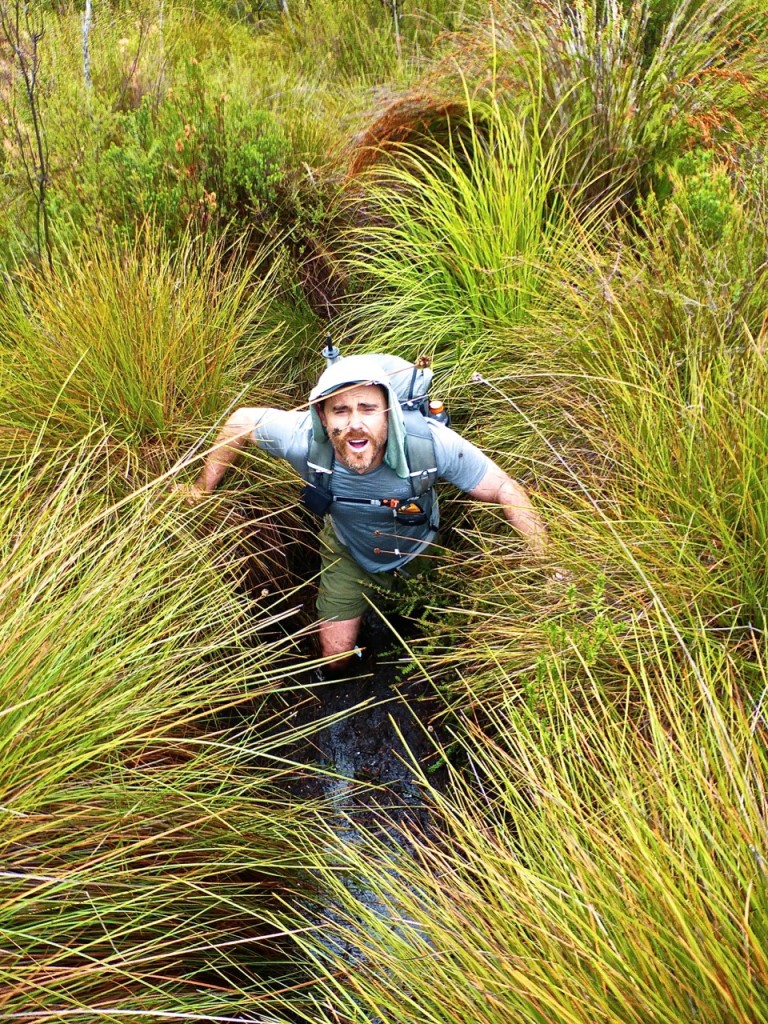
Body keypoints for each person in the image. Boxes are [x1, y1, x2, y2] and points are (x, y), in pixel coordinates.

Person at [182, 353, 550, 669]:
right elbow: (242, 421)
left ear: (389, 414)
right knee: (334, 658)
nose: (354, 422)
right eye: (340, 410)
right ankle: (359, 658)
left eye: (368, 408)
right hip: (348, 550)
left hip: (420, 547)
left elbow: (504, 487)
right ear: (322, 418)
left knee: (441, 636)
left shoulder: (430, 445)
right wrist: (201, 489)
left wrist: (545, 564)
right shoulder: (303, 440)